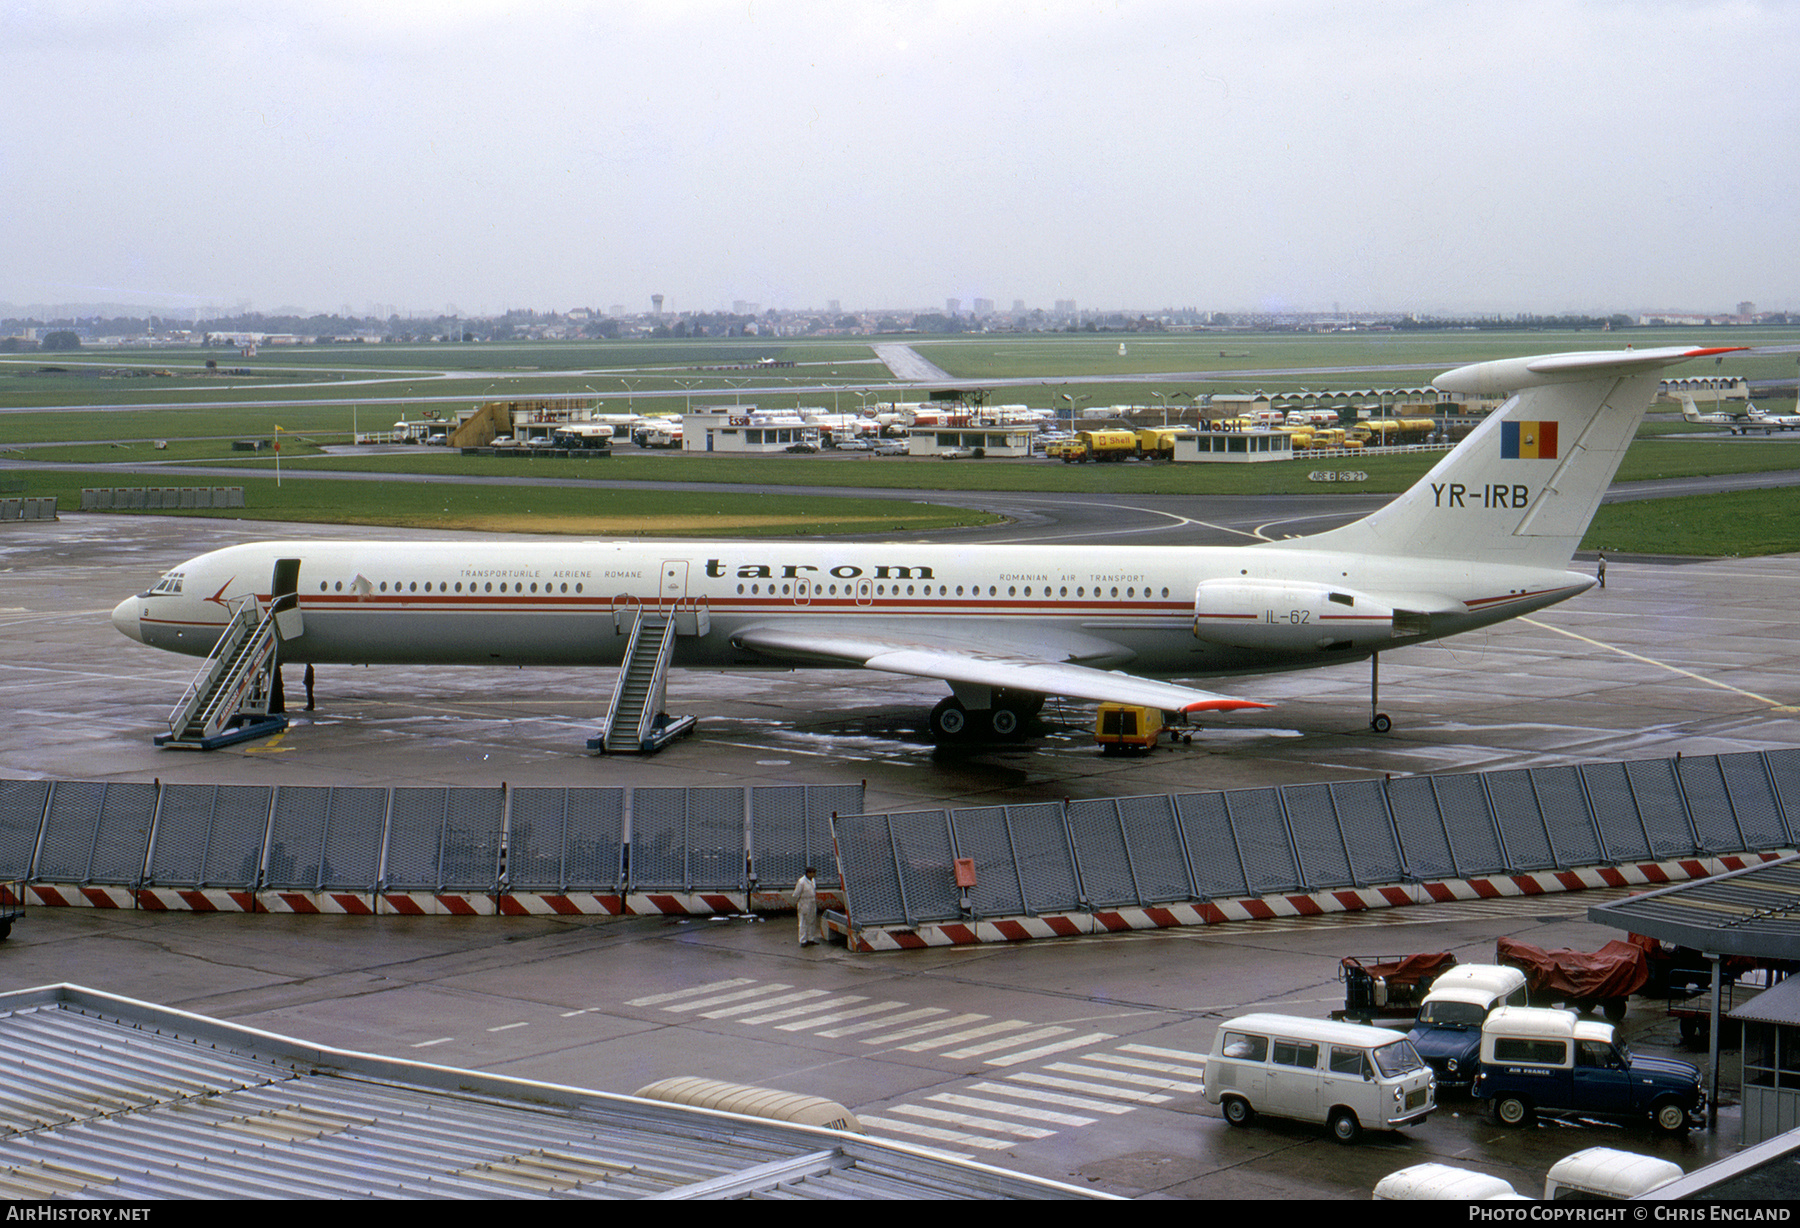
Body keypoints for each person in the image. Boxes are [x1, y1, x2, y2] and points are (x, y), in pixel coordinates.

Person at [793, 866, 819, 946]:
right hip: (804, 902)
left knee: (811, 921)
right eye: (813, 873)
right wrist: (798, 903)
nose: (814, 875)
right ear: (808, 873)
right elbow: (796, 894)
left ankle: (810, 938)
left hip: (812, 902)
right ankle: (803, 940)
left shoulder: (812, 880)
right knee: (803, 922)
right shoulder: (801, 882)